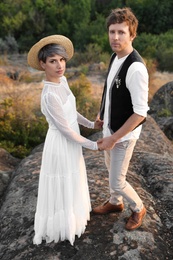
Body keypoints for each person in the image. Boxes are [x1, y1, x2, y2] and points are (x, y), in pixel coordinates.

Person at [27, 35, 103, 246]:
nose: (59, 65)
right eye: (53, 61)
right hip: (60, 143)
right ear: (43, 64)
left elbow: (72, 111)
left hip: (71, 141)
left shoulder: (63, 81)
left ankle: (75, 218)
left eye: (62, 60)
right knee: (61, 181)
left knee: (73, 177)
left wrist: (91, 124)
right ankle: (61, 226)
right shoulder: (49, 94)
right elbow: (67, 131)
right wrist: (94, 145)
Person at [93, 7, 149, 231]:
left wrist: (114, 138)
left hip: (123, 136)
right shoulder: (115, 57)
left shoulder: (135, 68)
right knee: (110, 170)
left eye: (121, 32)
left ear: (132, 35)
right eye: (112, 32)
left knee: (117, 179)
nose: (115, 37)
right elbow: (109, 90)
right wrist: (101, 114)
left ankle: (138, 208)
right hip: (110, 128)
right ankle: (116, 203)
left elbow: (140, 113)